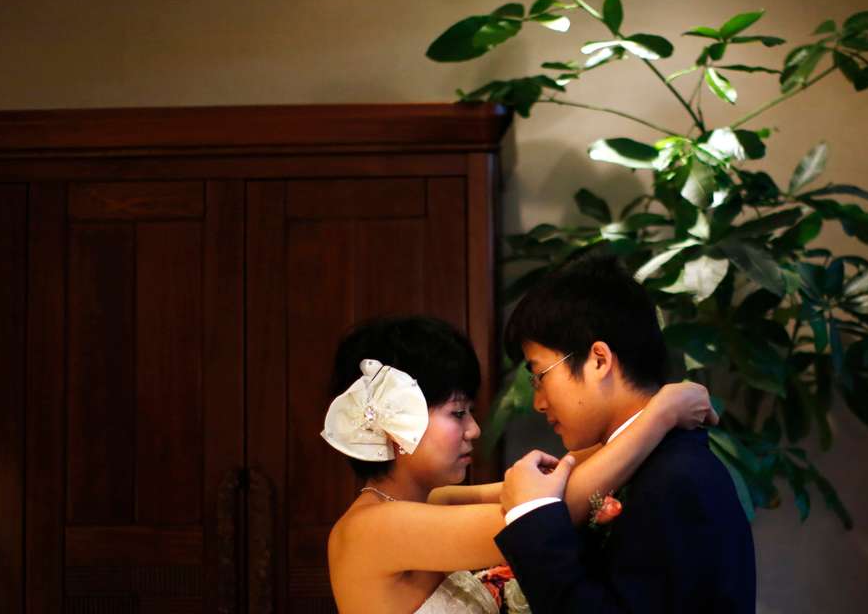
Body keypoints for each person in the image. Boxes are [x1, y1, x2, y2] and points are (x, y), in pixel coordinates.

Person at [322, 315, 717, 614]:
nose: (475, 430)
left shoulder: (434, 501)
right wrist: (661, 412)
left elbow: (560, 478)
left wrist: (644, 412)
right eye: (458, 413)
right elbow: (539, 516)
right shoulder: (369, 530)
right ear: (392, 425)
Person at [494, 255, 757, 613]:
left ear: (599, 360)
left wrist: (534, 517)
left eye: (540, 375)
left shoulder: (673, 478)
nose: (538, 402)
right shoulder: (650, 461)